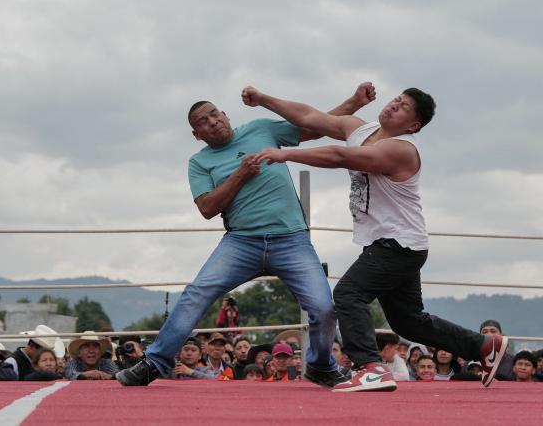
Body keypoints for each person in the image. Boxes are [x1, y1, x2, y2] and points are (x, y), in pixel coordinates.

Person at [243, 84, 508, 392]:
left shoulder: (401, 149)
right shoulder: (360, 129)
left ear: (413, 125)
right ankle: (484, 346)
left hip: (398, 243)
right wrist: (263, 100)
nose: (395, 105)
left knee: (348, 294)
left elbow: (340, 156)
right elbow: (309, 116)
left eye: (404, 107)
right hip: (397, 243)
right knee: (408, 322)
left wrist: (287, 153)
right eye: (397, 99)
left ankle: (370, 367)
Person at [116, 83, 376, 389]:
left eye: (214, 114)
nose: (212, 122)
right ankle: (154, 362)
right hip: (241, 241)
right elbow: (207, 208)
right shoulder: (199, 162)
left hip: (291, 239)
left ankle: (320, 364)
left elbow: (315, 125)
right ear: (196, 135)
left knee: (322, 308)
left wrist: (355, 102)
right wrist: (240, 175)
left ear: (225, 115)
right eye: (203, 122)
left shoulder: (260, 128)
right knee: (195, 294)